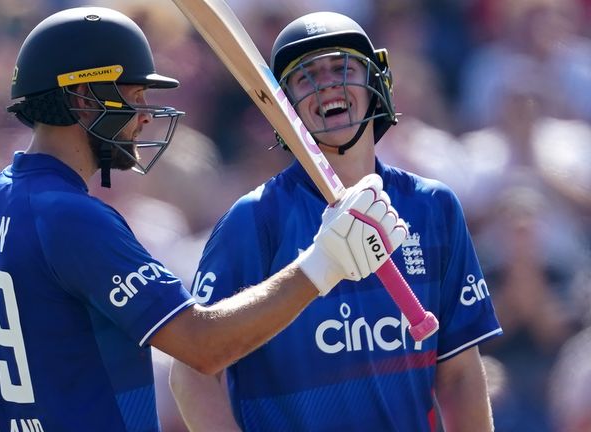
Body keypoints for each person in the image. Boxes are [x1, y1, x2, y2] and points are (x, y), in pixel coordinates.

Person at [0, 7, 408, 432]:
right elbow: (201, 346)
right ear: (83, 97)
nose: (145, 117)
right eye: (134, 97)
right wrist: (321, 264)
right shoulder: (71, 217)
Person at [170, 11, 503, 432]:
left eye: (341, 66)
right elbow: (192, 372)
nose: (327, 83)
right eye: (306, 77)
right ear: (282, 108)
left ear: (376, 84)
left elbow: (457, 374)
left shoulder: (433, 207)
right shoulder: (253, 219)